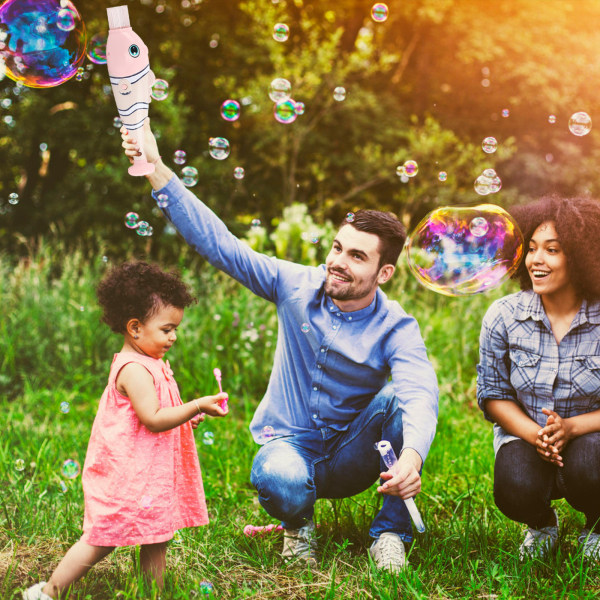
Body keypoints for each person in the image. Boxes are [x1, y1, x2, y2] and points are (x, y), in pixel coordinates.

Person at [121, 121, 439, 573]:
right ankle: (298, 525)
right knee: (279, 477)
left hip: (353, 455)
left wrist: (412, 457)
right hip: (288, 448)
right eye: (337, 248)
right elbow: (222, 246)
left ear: (384, 273)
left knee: (398, 402)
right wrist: (154, 168)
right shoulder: (294, 285)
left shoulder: (396, 326)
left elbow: (421, 392)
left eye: (356, 256)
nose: (337, 262)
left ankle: (389, 534)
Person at [23, 261, 229, 600]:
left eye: (175, 328)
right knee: (102, 539)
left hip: (149, 472)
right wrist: (194, 405)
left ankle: (152, 594)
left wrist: (186, 418)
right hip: (130, 474)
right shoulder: (134, 369)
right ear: (135, 328)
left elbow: (159, 411)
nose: (174, 336)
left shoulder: (154, 363)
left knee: (157, 536)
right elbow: (151, 418)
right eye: (166, 329)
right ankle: (47, 593)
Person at [477, 195, 600, 560]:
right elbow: (493, 394)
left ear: (580, 257)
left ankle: (596, 525)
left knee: (593, 468)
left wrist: (572, 427)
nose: (536, 260)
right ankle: (542, 524)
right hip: (527, 435)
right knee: (514, 487)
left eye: (552, 250)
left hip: (592, 437)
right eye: (531, 249)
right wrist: (538, 435)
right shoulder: (503, 315)